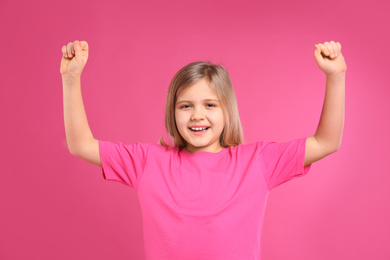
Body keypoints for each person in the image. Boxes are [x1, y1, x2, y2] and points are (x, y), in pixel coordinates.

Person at [60, 40, 346, 260]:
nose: (197, 115)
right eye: (186, 106)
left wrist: (336, 76)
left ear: (227, 111)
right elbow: (81, 145)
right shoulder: (148, 162)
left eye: (210, 105)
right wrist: (71, 79)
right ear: (173, 113)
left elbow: (325, 143)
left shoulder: (257, 161)